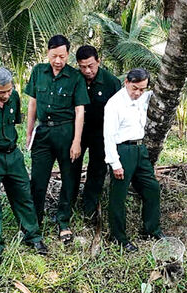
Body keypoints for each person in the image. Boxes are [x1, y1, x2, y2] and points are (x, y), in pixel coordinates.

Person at [0, 67, 47, 260]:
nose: (6, 95)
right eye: (1, 92)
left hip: (13, 156)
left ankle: (33, 235)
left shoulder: (14, 97)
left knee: (23, 195)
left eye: (9, 90)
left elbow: (14, 124)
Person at [25, 35, 90, 244]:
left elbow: (80, 111)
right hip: (43, 133)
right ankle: (35, 221)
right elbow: (32, 104)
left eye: (62, 56)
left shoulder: (75, 77)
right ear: (48, 53)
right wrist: (29, 133)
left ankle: (63, 221)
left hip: (66, 132)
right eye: (54, 56)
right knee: (38, 179)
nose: (58, 61)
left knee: (69, 179)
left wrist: (77, 140)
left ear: (68, 55)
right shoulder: (38, 72)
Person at [103, 68, 165, 252]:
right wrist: (115, 163)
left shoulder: (143, 97)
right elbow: (108, 136)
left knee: (152, 188)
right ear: (126, 83)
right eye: (135, 88)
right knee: (118, 197)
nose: (138, 93)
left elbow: (159, 91)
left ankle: (151, 229)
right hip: (123, 151)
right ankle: (119, 237)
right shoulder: (114, 104)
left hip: (140, 150)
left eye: (142, 89)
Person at [71, 45, 121, 219]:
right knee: (72, 166)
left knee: (97, 169)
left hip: (101, 132)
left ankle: (89, 208)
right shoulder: (74, 78)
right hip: (77, 131)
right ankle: (69, 203)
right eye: (83, 66)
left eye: (91, 65)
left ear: (98, 61)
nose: (87, 70)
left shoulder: (111, 82)